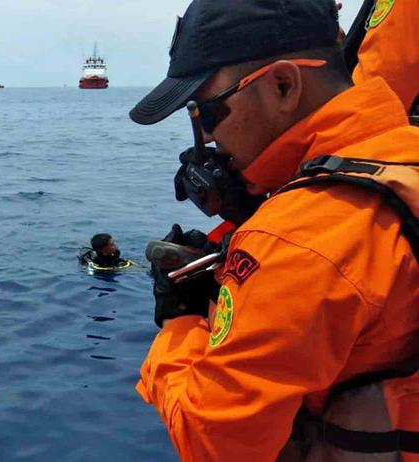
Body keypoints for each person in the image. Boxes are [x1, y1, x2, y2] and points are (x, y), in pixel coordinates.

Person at [128, 0, 419, 460]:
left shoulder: (295, 240)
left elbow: (214, 442)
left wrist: (179, 319)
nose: (207, 139)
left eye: (207, 113)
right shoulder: (403, 156)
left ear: (283, 85)